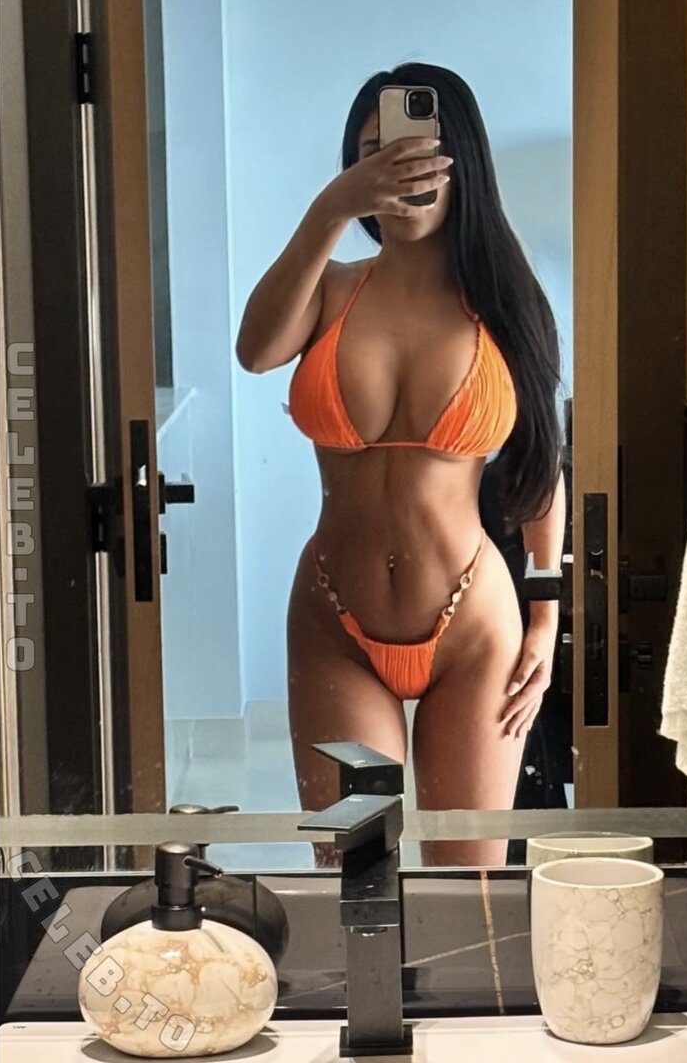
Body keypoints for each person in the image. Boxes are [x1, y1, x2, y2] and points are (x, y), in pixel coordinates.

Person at [236, 62, 565, 866]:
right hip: (336, 629)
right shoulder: (328, 290)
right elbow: (255, 351)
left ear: (463, 163)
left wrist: (545, 617)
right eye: (373, 154)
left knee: (469, 894)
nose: (397, 171)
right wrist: (328, 210)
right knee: (360, 878)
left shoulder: (504, 303)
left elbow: (541, 467)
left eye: (417, 150)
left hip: (473, 633)